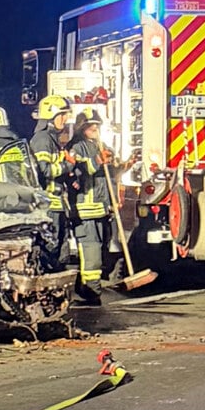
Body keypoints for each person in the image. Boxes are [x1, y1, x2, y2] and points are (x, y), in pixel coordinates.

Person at [66, 107, 118, 298]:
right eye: (90, 126)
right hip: (85, 208)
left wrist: (122, 165)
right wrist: (97, 160)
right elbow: (77, 170)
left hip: (102, 209)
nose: (95, 129)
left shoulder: (102, 146)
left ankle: (84, 286)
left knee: (102, 250)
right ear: (82, 128)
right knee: (91, 251)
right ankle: (92, 292)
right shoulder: (76, 148)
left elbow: (109, 177)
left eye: (97, 125)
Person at [30, 95, 75, 268]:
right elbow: (45, 170)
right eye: (62, 115)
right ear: (51, 115)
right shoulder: (43, 139)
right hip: (48, 204)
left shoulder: (52, 139)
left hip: (57, 204)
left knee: (60, 248)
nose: (65, 119)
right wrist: (68, 165)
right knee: (50, 246)